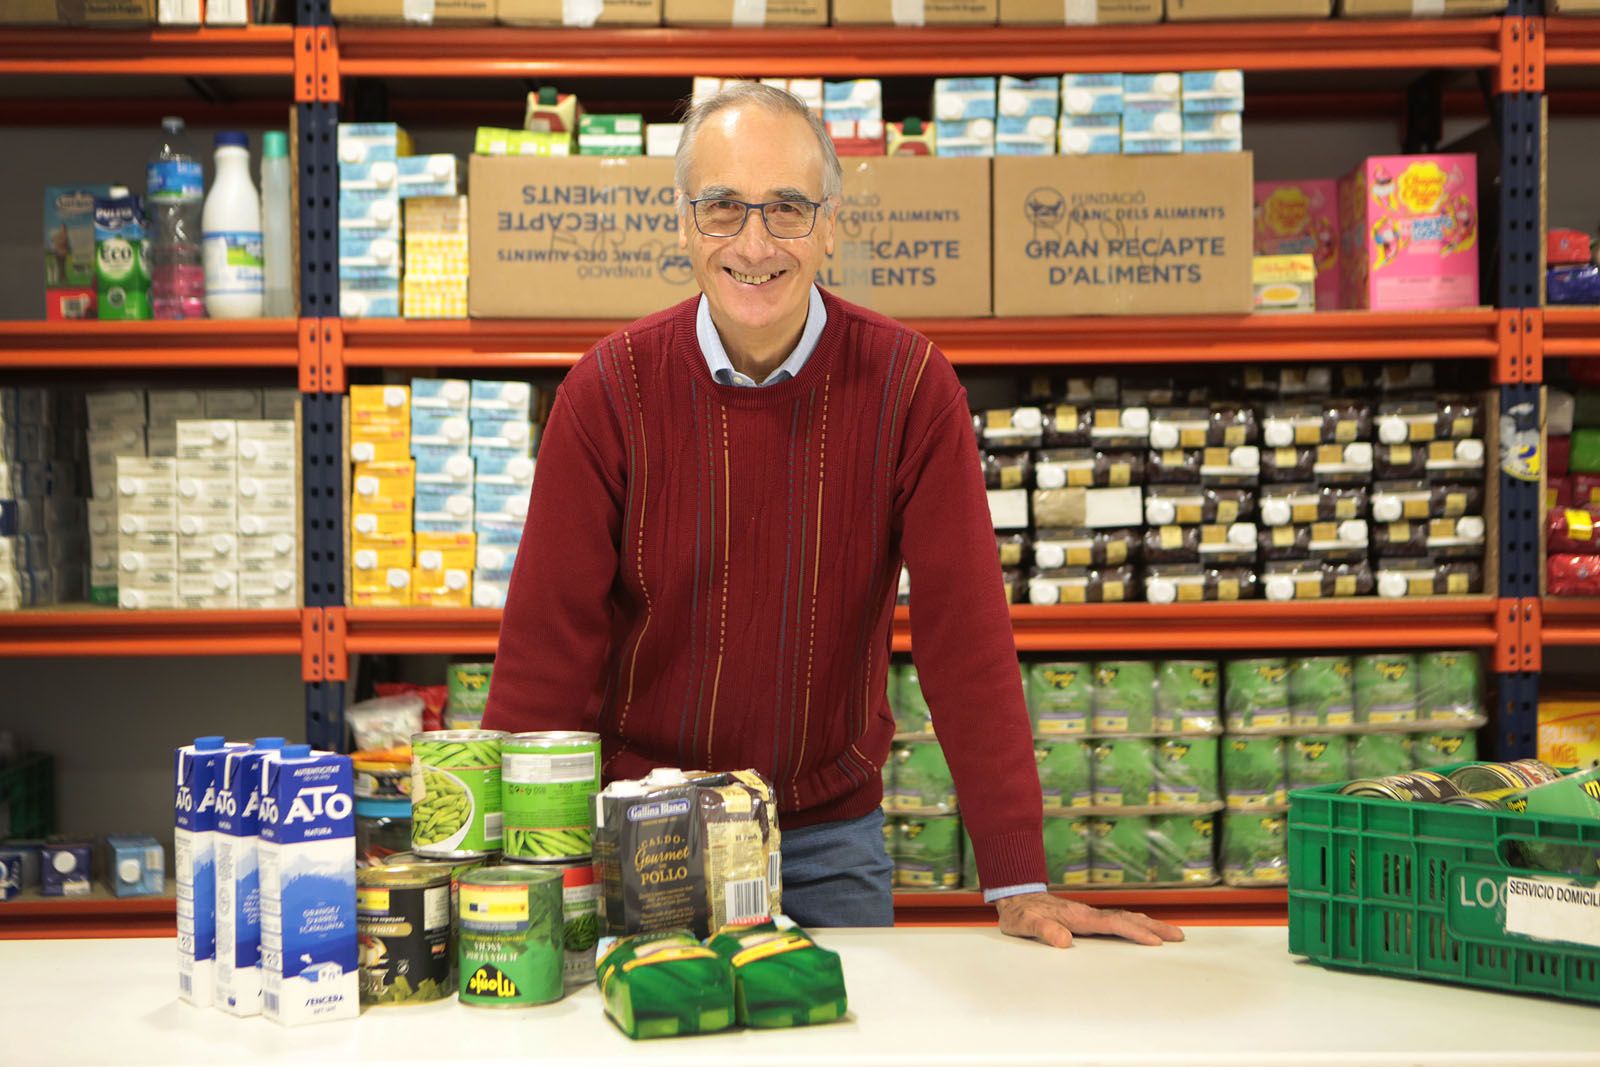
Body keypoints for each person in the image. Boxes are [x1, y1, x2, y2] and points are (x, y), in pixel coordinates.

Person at [482, 82, 1182, 950]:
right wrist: (507, 871)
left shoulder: (910, 387)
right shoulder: (609, 390)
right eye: (723, 208)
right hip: (643, 831)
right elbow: (547, 647)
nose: (754, 243)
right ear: (682, 223)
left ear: (831, 226)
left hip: (822, 837)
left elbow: (965, 634)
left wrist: (1017, 876)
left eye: (786, 209)